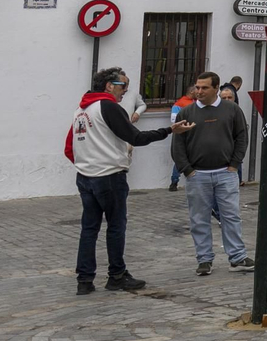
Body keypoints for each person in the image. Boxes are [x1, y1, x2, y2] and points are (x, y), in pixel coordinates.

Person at [66, 66, 194, 294]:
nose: (126, 91)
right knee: (116, 226)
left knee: (89, 228)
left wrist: (87, 162)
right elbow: (135, 136)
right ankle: (116, 275)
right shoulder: (108, 107)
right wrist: (169, 130)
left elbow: (70, 147)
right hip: (108, 176)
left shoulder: (81, 110)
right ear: (109, 85)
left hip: (86, 176)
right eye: (123, 86)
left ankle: (84, 280)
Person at [171, 71, 253, 276]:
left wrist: (235, 164)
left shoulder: (232, 110)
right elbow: (177, 144)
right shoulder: (186, 112)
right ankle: (204, 259)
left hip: (226, 173)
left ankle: (237, 256)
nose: (199, 91)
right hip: (197, 175)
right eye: (197, 87)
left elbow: (242, 136)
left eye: (204, 87)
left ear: (216, 88)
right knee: (199, 219)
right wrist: (187, 170)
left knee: (231, 216)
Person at [168, 85, 197, 190]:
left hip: (193, 133)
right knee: (181, 157)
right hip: (184, 133)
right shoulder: (180, 103)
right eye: (197, 89)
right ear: (192, 92)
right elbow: (174, 119)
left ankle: (176, 181)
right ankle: (174, 181)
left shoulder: (195, 102)